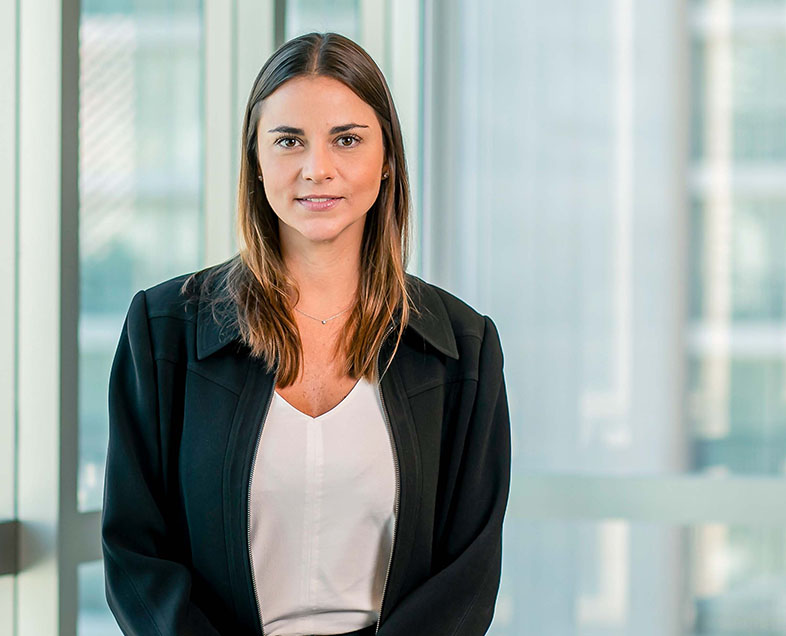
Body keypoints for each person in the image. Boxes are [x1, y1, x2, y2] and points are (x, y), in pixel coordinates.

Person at [102, 31, 511, 636]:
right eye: (289, 141)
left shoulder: (462, 346)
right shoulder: (163, 333)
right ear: (257, 160)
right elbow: (136, 554)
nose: (317, 169)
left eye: (347, 139)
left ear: (387, 159)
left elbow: (467, 576)